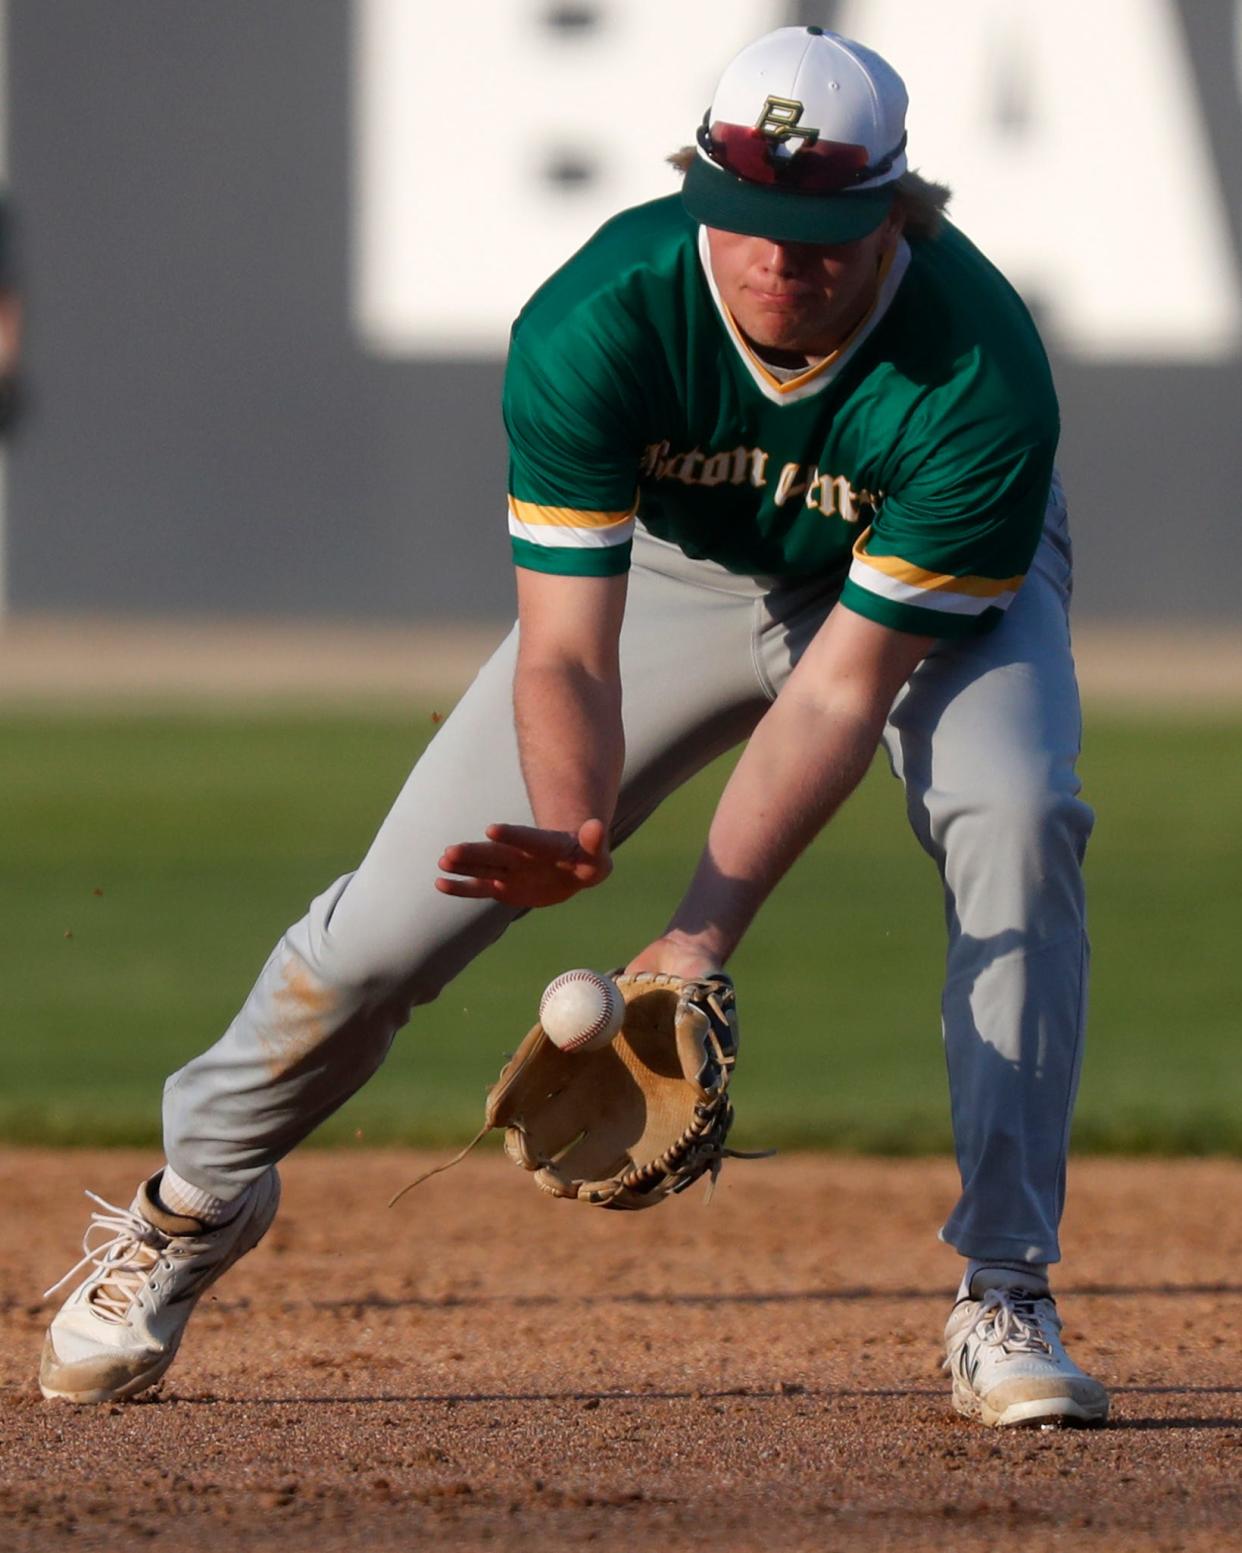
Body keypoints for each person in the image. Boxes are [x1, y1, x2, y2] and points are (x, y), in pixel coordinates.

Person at [41, 26, 1108, 1429]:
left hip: (901, 596)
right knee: (381, 934)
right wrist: (570, 816)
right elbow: (563, 644)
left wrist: (697, 930)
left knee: (1017, 816)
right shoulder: (600, 311)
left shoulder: (974, 368)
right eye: (747, 223)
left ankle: (1003, 1285)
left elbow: (838, 689)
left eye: (820, 234)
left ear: (895, 212)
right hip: (679, 573)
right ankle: (188, 1209)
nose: (778, 261)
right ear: (696, 194)